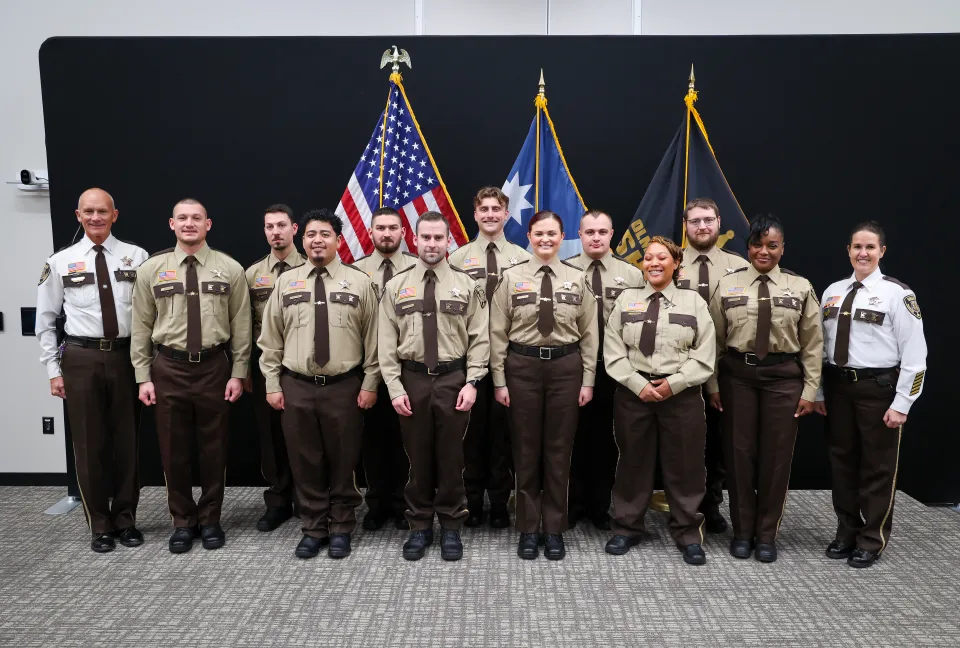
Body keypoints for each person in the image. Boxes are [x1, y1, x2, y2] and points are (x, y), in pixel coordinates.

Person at [131, 198, 251, 554]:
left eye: (196, 218)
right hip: (168, 367)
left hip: (215, 367)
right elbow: (140, 326)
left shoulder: (229, 268)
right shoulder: (152, 269)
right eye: (182, 218)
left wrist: (239, 372)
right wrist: (143, 376)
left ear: (208, 224)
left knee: (215, 449)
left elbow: (241, 326)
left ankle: (211, 519)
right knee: (173, 449)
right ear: (171, 224)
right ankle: (183, 521)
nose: (189, 223)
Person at [258, 209, 379, 559]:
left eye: (325, 234)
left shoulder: (359, 282)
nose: (317, 240)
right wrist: (272, 383)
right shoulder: (287, 282)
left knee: (343, 461)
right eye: (311, 234)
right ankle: (313, 526)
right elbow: (270, 340)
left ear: (338, 240)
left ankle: (341, 526)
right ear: (303, 239)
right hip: (296, 384)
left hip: (344, 385)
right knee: (305, 460)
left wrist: (370, 382)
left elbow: (373, 338)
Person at [35, 188, 148, 553]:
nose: (96, 217)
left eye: (103, 211)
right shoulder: (61, 262)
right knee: (88, 445)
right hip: (81, 358)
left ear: (115, 215)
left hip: (125, 356)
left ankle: (126, 518)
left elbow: (149, 315)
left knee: (127, 442)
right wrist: (53, 370)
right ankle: (99, 523)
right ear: (78, 215)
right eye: (89, 212)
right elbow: (46, 320)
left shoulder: (137, 257)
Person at [707, 214, 823, 563]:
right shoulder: (727, 285)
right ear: (748, 247)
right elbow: (713, 340)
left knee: (776, 459)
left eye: (772, 245)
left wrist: (810, 390)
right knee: (738, 456)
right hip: (737, 377)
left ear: (782, 249)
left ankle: (767, 534)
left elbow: (813, 344)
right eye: (757, 245)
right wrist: (712, 384)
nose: (763, 251)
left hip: (783, 379)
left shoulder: (799, 287)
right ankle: (742, 532)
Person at [815, 221, 926, 568]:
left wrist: (903, 403)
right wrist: (818, 391)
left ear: (882, 252)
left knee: (878, 468)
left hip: (878, 390)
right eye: (856, 247)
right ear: (847, 250)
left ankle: (871, 539)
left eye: (870, 247)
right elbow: (819, 348)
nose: (863, 253)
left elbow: (915, 355)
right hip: (838, 388)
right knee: (842, 463)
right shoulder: (832, 291)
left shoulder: (898, 294)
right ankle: (847, 532)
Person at [379, 211, 489, 561]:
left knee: (452, 458)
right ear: (414, 238)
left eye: (438, 238)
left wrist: (472, 382)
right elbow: (385, 343)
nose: (431, 244)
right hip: (412, 379)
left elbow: (479, 339)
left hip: (453, 379)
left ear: (447, 241)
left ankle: (452, 526)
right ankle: (420, 526)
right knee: (417, 457)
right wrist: (395, 388)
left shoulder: (466, 285)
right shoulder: (396, 286)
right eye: (425, 237)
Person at [490, 210, 598, 561]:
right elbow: (496, 333)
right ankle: (527, 528)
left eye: (552, 234)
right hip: (522, 368)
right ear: (529, 237)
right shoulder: (511, 278)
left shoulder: (577, 278)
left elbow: (590, 333)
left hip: (566, 369)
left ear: (562, 235)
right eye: (539, 234)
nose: (545, 240)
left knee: (558, 451)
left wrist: (588, 379)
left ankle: (553, 528)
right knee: (524, 451)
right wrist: (499, 380)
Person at [602, 236, 715, 564]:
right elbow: (613, 349)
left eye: (661, 258)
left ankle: (688, 533)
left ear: (676, 263)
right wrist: (638, 384)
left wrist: (674, 384)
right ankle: (626, 527)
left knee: (685, 466)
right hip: (634, 395)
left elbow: (705, 353)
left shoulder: (693, 302)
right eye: (648, 258)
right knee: (632, 463)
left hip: (681, 397)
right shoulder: (626, 300)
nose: (653, 263)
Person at [448, 187, 530, 528]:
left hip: (510, 357)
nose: (491, 215)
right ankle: (472, 503)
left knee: (502, 435)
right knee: (469, 436)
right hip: (467, 357)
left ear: (507, 214)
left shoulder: (523, 258)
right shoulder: (458, 259)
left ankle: (499, 502)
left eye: (497, 209)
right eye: (484, 209)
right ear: (475, 214)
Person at [564, 209, 644, 531]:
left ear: (612, 234)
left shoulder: (633, 275)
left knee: (608, 441)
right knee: (572, 438)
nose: (596, 237)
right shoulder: (565, 271)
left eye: (602, 231)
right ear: (580, 235)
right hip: (574, 368)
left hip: (615, 370)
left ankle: (600, 506)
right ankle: (573, 504)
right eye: (589, 232)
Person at [678, 198, 749, 533]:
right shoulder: (671, 263)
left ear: (719, 222)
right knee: (683, 441)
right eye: (694, 221)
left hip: (726, 366)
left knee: (721, 441)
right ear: (685, 225)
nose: (702, 227)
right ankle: (683, 506)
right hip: (680, 365)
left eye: (708, 220)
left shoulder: (739, 266)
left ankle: (712, 504)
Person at [353, 207, 417, 531]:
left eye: (393, 227)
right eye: (381, 228)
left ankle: (404, 504)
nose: (387, 233)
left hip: (407, 369)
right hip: (366, 370)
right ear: (371, 232)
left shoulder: (419, 269)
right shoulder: (356, 273)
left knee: (406, 441)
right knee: (373, 441)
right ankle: (376, 504)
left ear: (403, 232)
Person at [244, 204, 304, 533]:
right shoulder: (253, 275)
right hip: (267, 364)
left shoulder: (312, 267)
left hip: (304, 365)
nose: (275, 232)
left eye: (281, 225)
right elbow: (243, 325)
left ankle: (309, 496)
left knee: (307, 434)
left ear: (295, 229)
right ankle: (279, 499)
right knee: (271, 436)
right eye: (269, 226)